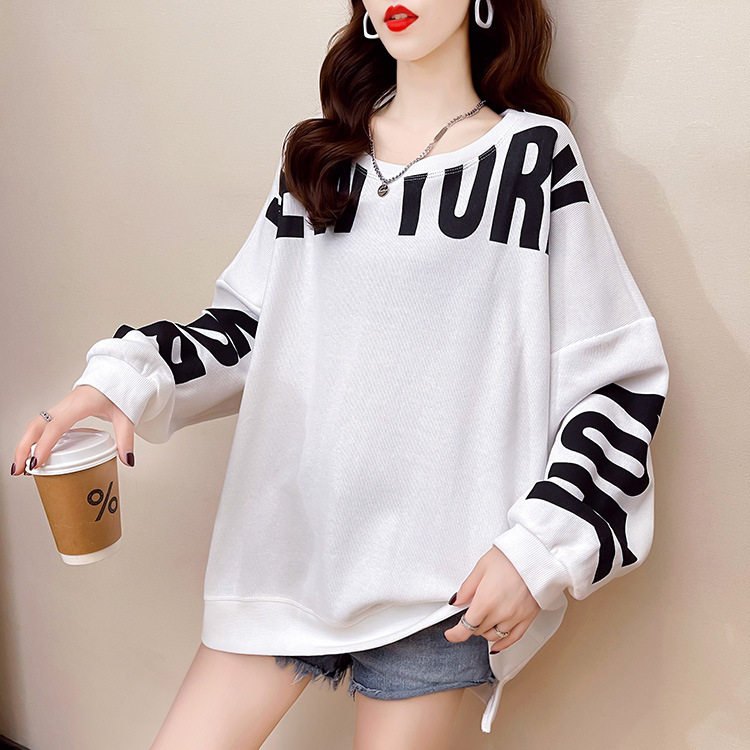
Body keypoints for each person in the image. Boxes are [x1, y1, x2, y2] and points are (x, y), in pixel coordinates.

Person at [11, 0, 671, 747]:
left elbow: (617, 379)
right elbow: (251, 329)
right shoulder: (320, 158)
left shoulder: (533, 160)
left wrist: (538, 552)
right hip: (288, 552)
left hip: (440, 588)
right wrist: (123, 381)